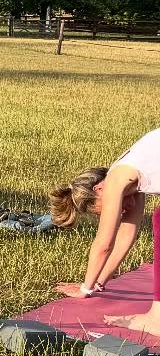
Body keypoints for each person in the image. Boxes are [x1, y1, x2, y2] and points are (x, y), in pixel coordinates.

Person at [51, 128, 160, 337]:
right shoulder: (133, 175)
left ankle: (157, 320)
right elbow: (126, 237)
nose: (121, 211)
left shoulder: (116, 180)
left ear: (99, 190)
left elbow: (103, 244)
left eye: (111, 208)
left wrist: (85, 288)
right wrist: (98, 283)